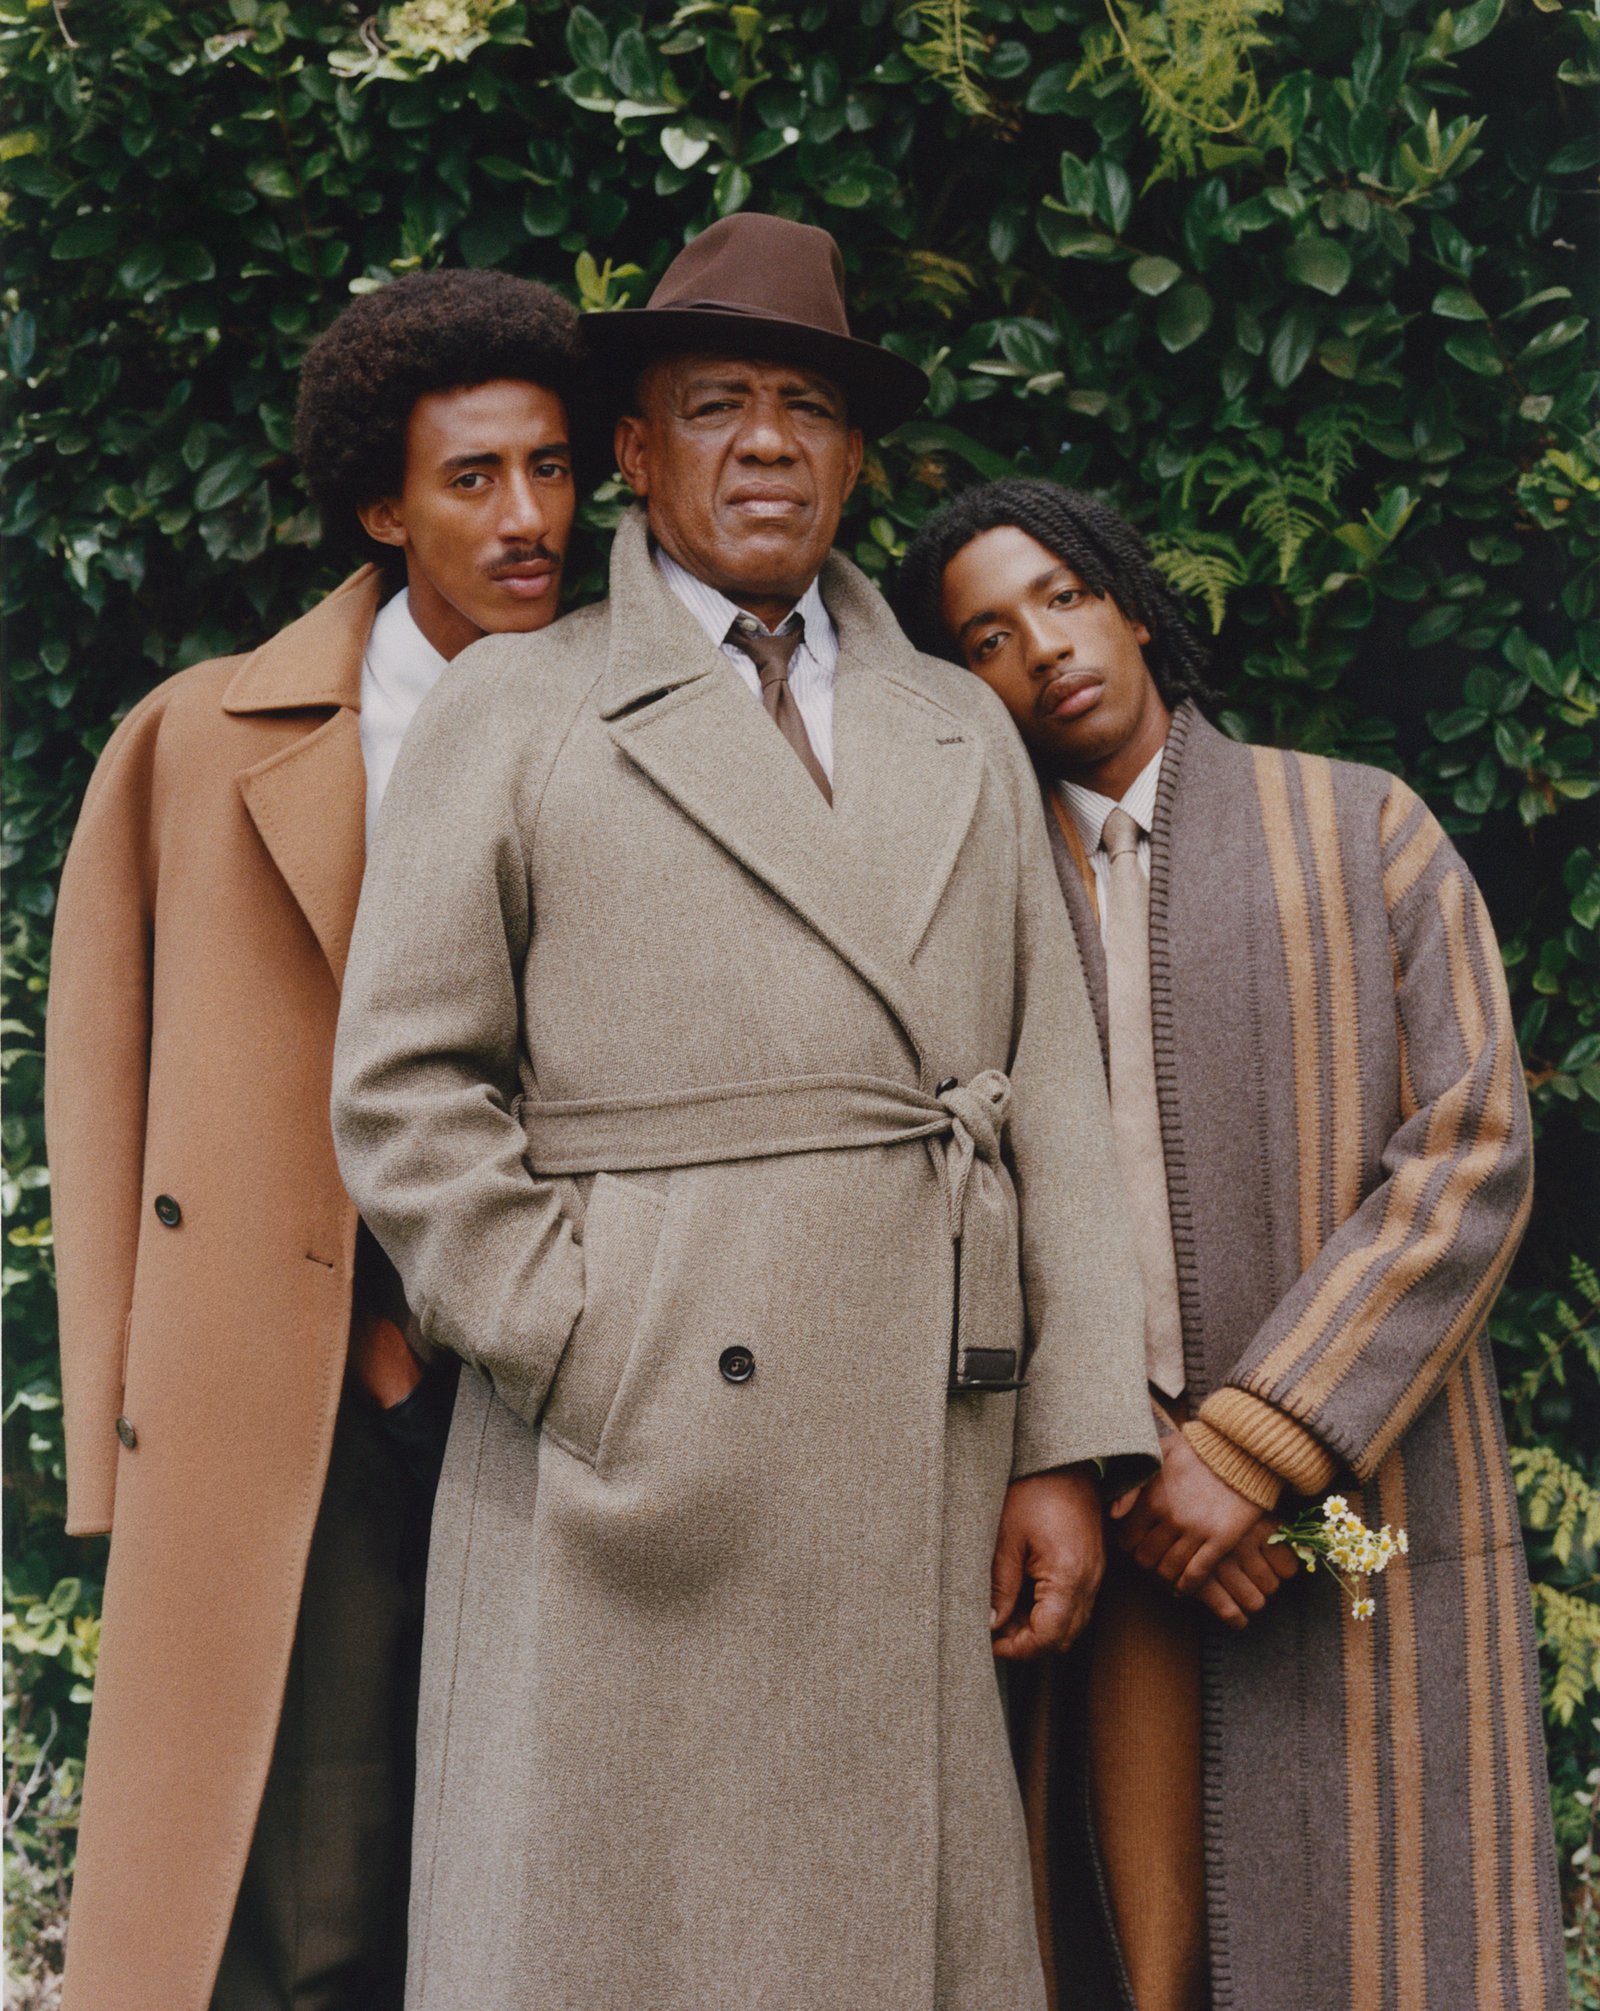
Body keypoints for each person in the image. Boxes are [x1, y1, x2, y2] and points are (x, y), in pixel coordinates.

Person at [330, 213, 1158, 2011]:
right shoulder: (516, 707)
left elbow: (1054, 1100)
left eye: (809, 410)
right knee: (610, 1938)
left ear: (854, 463)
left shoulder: (959, 725)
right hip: (622, 1450)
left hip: (921, 1439)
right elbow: (405, 1086)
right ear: (637, 454)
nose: (769, 443)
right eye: (718, 406)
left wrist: (1067, 1444)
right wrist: (579, 1337)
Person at [895, 478, 1567, 2011]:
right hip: (1111, 1509)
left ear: (1134, 605)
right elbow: (941, 1188)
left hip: (1363, 1516)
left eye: (1063, 596)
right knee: (1136, 1946)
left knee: (1389, 1910)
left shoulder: (1362, 825)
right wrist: (1141, 1454)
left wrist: (1258, 1448)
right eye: (986, 637)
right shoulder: (962, 906)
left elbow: (1474, 1146)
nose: (1041, 648)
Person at [44, 267, 586, 2011]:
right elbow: (102, 1090)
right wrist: (123, 1432)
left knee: (555, 1866)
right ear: (382, 506)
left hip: (576, 1368)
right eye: (473, 478)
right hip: (290, 1379)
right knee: (313, 1892)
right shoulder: (196, 739)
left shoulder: (644, 721)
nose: (529, 519)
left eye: (554, 469)